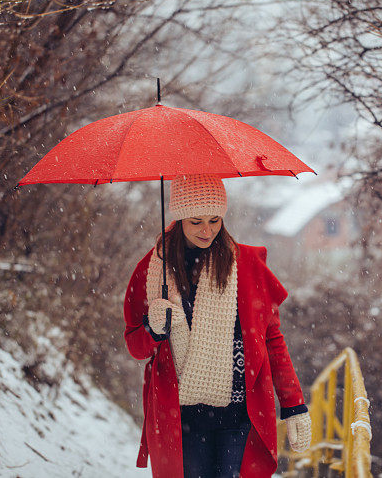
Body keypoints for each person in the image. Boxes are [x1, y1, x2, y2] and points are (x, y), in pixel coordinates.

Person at [123, 174, 312, 478]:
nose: (207, 230)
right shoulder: (152, 270)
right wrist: (153, 330)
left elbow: (272, 340)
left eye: (215, 220)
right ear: (180, 218)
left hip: (238, 414)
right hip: (181, 416)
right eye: (196, 221)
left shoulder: (247, 265)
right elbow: (135, 346)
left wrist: (294, 405)